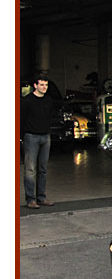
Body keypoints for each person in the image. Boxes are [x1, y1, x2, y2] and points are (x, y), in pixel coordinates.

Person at [21, 74, 55, 209]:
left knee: (43, 169)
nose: (44, 87)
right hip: (31, 136)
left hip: (45, 136)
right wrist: (21, 136)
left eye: (46, 85)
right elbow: (20, 119)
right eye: (41, 84)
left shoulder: (48, 100)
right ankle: (30, 199)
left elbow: (50, 117)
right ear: (35, 86)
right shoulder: (27, 101)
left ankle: (41, 197)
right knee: (30, 169)